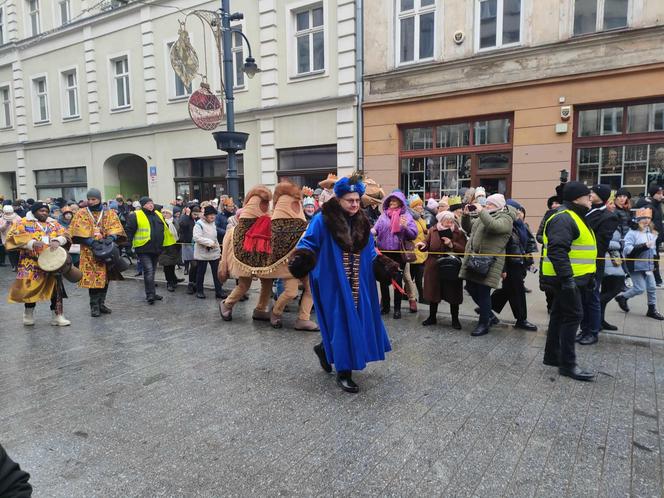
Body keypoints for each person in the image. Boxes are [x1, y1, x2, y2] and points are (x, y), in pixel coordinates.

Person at [289, 174, 397, 393]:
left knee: (356, 321)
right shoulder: (322, 219)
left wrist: (382, 265)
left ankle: (323, 349)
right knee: (341, 322)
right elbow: (308, 241)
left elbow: (370, 250)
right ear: (339, 199)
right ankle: (344, 372)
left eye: (357, 200)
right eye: (350, 200)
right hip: (332, 280)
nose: (355, 204)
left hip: (359, 282)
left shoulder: (362, 220)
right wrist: (302, 258)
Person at [540, 181, 597, 381]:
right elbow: (557, 251)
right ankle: (567, 365)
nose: (591, 198)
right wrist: (567, 279)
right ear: (576, 198)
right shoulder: (564, 217)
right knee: (573, 317)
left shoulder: (575, 216)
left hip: (573, 278)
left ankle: (552, 356)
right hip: (565, 279)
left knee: (558, 315)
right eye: (587, 195)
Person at [5, 202, 72, 326]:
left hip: (52, 262)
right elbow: (11, 238)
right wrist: (31, 243)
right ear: (34, 211)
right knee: (30, 289)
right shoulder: (22, 222)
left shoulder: (53, 223)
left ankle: (57, 315)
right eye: (41, 211)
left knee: (55, 289)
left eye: (46, 211)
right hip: (30, 262)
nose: (44, 213)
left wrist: (59, 240)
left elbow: (66, 234)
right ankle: (28, 313)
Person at [459, 193, 516, 337]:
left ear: (497, 206)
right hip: (476, 260)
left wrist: (481, 211)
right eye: (487, 204)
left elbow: (494, 227)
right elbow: (469, 228)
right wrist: (465, 215)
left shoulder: (505, 217)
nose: (486, 205)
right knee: (471, 287)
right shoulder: (486, 215)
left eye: (490, 204)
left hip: (490, 262)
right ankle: (489, 315)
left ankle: (483, 323)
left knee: (483, 292)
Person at [68, 188, 127, 317]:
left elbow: (115, 228)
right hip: (89, 252)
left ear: (99, 199)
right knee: (93, 280)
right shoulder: (81, 213)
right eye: (89, 199)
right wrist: (91, 242)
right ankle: (94, 306)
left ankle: (101, 303)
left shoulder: (109, 212)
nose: (91, 201)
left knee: (106, 278)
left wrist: (111, 238)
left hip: (107, 251)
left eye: (93, 199)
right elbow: (76, 231)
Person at [219, 186, 275, 320]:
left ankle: (261, 308)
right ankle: (227, 304)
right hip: (244, 256)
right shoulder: (241, 226)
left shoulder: (267, 220)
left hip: (262, 256)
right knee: (244, 284)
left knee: (267, 282)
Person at [576, 184, 619, 345]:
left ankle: (593, 332)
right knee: (582, 298)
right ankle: (583, 329)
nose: (590, 194)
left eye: (593, 192)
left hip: (594, 262)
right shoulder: (586, 211)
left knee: (592, 298)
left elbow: (601, 244)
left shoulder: (608, 216)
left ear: (602, 196)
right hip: (580, 262)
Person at [490, 199, 539, 331]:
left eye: (521, 211)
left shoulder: (521, 225)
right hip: (511, 264)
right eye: (517, 211)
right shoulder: (506, 225)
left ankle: (487, 307)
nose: (520, 213)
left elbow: (527, 244)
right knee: (517, 292)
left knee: (508, 290)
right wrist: (503, 268)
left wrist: (529, 262)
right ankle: (521, 319)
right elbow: (501, 248)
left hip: (520, 263)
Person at [372, 190, 417, 319]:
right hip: (383, 253)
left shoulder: (407, 216)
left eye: (395, 201)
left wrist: (405, 227)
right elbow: (376, 229)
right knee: (383, 280)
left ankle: (397, 309)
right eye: (390, 201)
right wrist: (368, 232)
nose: (392, 203)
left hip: (398, 254)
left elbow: (413, 234)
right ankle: (385, 307)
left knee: (397, 281)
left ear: (400, 203)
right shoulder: (383, 216)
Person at [418, 211, 467, 329]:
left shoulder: (458, 232)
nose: (449, 223)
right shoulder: (433, 230)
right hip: (434, 266)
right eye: (446, 221)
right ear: (440, 221)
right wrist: (423, 245)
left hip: (451, 266)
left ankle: (455, 319)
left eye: (451, 221)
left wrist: (451, 245)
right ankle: (432, 317)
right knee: (433, 292)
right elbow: (427, 242)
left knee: (453, 293)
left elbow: (465, 249)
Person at [614, 208, 664, 320]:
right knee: (640, 288)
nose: (646, 220)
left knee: (652, 287)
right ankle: (622, 297)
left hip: (648, 266)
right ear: (637, 219)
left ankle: (652, 310)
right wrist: (643, 246)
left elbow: (654, 249)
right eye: (643, 218)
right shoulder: (632, 233)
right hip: (635, 266)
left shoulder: (651, 232)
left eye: (648, 218)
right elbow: (627, 250)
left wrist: (655, 264)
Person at [125, 197, 173, 304]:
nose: (151, 205)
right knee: (149, 271)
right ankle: (150, 295)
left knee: (152, 272)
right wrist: (128, 246)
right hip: (143, 248)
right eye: (148, 203)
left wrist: (167, 245)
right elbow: (129, 231)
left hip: (156, 249)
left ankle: (152, 292)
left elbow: (164, 230)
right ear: (143, 205)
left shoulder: (158, 214)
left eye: (151, 203)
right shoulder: (136, 215)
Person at [193, 205, 225, 299]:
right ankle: (199, 291)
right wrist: (209, 243)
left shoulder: (213, 224)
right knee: (201, 273)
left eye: (214, 215)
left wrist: (218, 249)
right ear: (206, 215)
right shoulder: (199, 224)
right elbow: (197, 238)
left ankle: (219, 291)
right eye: (211, 215)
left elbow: (214, 237)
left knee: (217, 273)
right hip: (202, 252)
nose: (213, 217)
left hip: (214, 252)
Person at [635, 183, 664, 286]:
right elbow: (644, 223)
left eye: (662, 193)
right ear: (653, 194)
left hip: (657, 237)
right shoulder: (649, 206)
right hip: (650, 238)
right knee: (652, 259)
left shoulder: (658, 205)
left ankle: (656, 280)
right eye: (659, 193)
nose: (662, 195)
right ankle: (657, 280)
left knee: (654, 258)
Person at [407, 194, 428, 304]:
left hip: (421, 252)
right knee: (413, 277)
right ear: (413, 207)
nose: (421, 207)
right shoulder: (410, 219)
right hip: (413, 252)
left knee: (415, 277)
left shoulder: (421, 218)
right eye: (418, 205)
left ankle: (409, 295)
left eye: (421, 205)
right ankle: (419, 297)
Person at [158, 208, 183, 292]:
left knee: (172, 264)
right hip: (164, 247)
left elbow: (179, 231)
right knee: (167, 265)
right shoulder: (161, 222)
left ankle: (174, 278)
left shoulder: (175, 221)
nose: (164, 214)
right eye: (163, 213)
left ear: (171, 214)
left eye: (166, 213)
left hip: (174, 246)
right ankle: (169, 282)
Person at [178, 205, 200, 293]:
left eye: (197, 214)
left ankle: (195, 283)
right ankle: (190, 284)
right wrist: (186, 215)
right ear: (190, 212)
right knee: (194, 264)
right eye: (194, 214)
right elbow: (182, 225)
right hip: (188, 244)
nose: (196, 216)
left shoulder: (197, 219)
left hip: (196, 244)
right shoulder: (185, 218)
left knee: (197, 265)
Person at [1, 204, 21, 271]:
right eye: (7, 213)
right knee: (10, 252)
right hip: (6, 239)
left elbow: (22, 227)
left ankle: (18, 265)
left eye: (10, 213)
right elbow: (1, 230)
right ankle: (13, 266)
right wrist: (6, 224)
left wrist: (16, 227)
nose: (8, 214)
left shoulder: (18, 217)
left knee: (18, 252)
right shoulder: (1, 219)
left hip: (16, 238)